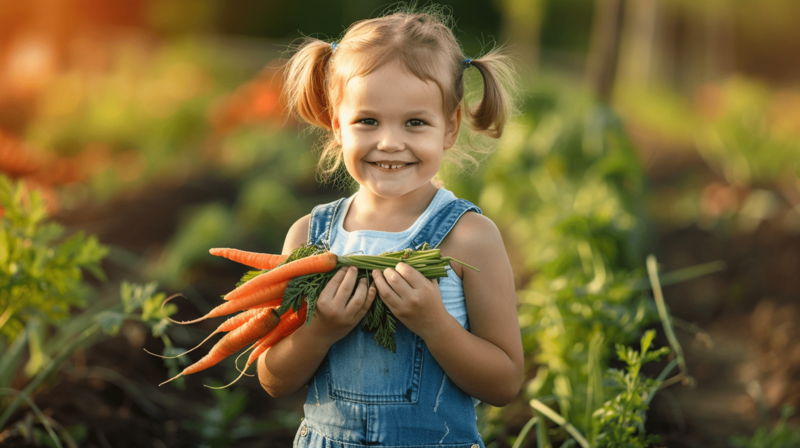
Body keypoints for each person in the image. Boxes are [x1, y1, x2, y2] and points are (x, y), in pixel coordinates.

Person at [257, 6, 524, 447]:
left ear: (450, 127)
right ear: (336, 125)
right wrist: (319, 330)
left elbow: (505, 383)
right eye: (368, 121)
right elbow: (272, 378)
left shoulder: (471, 239)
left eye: (415, 122)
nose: (390, 142)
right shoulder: (309, 237)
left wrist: (435, 324)